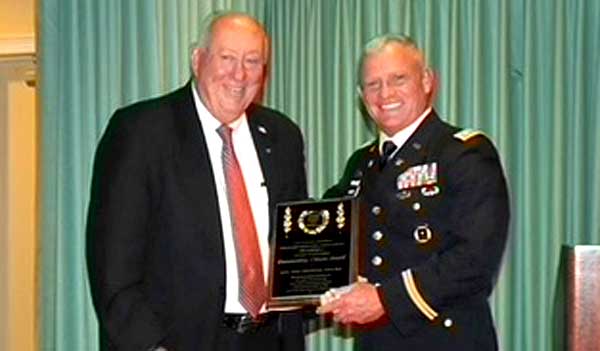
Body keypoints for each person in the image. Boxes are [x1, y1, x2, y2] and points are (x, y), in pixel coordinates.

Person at [86, 12, 307, 351]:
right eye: (227, 58)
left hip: (268, 340)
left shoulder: (282, 136)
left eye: (253, 61)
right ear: (197, 59)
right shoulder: (141, 132)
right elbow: (112, 269)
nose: (239, 74)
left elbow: (295, 250)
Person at [317, 34, 510, 350]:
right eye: (373, 84)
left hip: (445, 340)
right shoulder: (361, 163)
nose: (385, 94)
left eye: (398, 79)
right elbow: (327, 235)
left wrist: (385, 299)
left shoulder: (463, 153)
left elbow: (474, 259)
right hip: (376, 342)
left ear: (427, 81)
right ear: (360, 95)